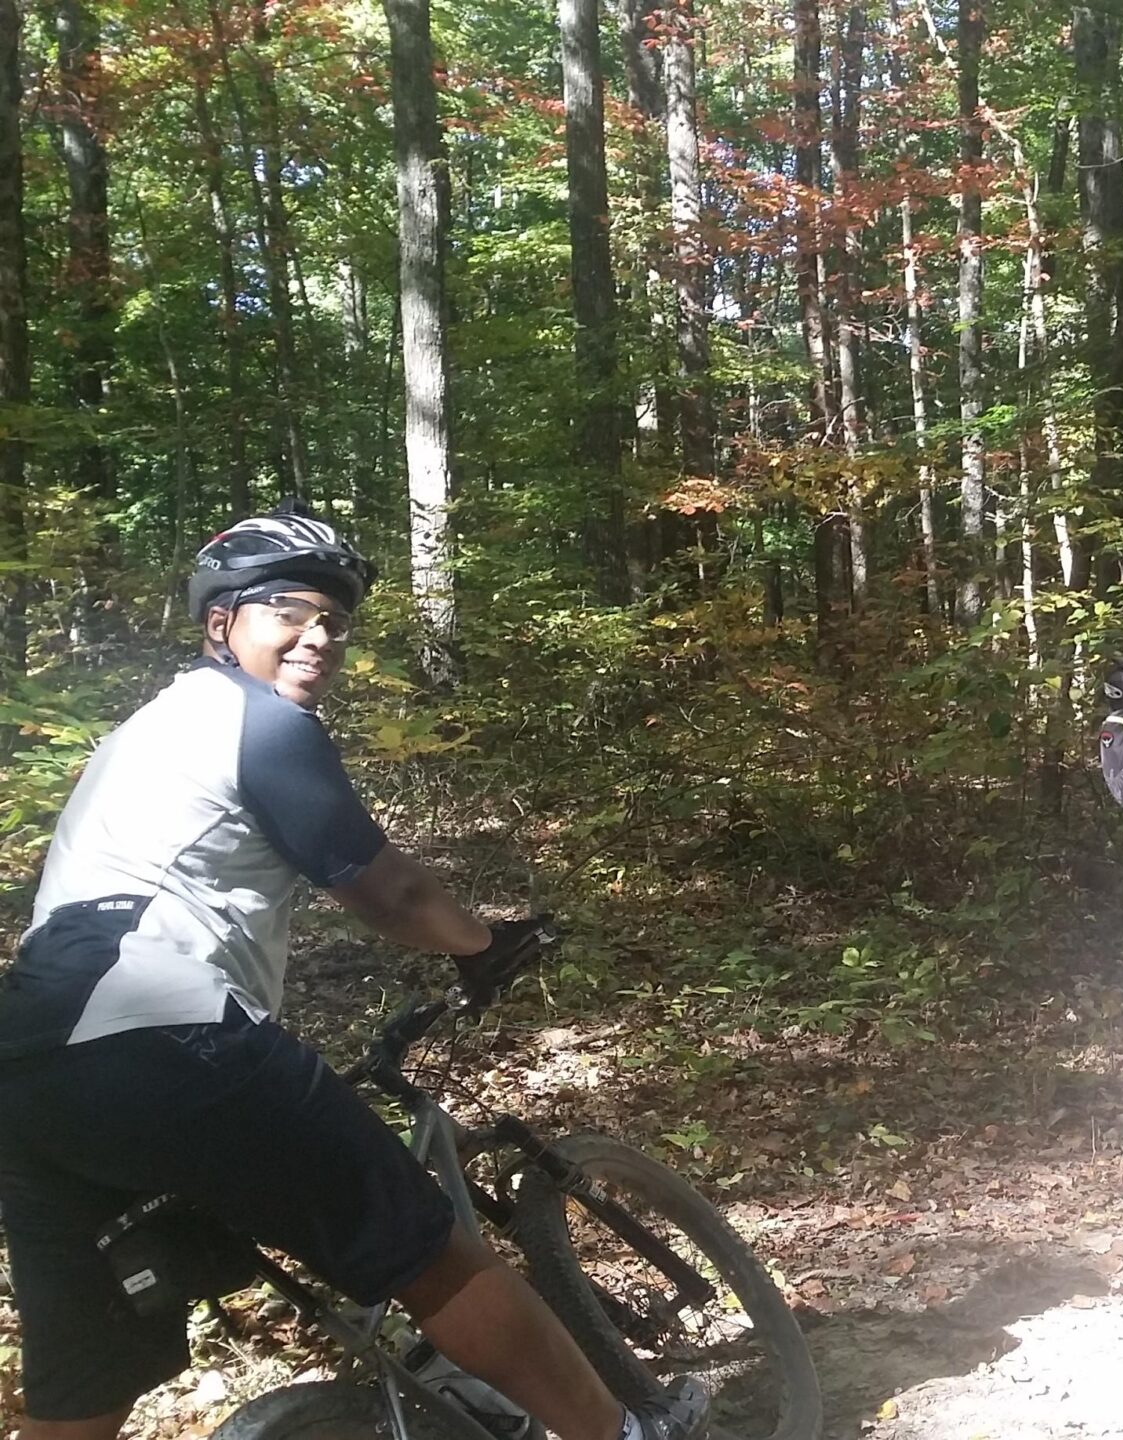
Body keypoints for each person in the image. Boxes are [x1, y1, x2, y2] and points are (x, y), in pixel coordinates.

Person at [0, 505, 702, 1440]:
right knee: (427, 1253)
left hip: (30, 1064)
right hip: (162, 1028)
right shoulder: (256, 721)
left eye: (334, 619)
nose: (319, 634)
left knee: (91, 1364)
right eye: (289, 609)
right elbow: (393, 893)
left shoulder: (142, 734)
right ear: (222, 622)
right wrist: (482, 944)